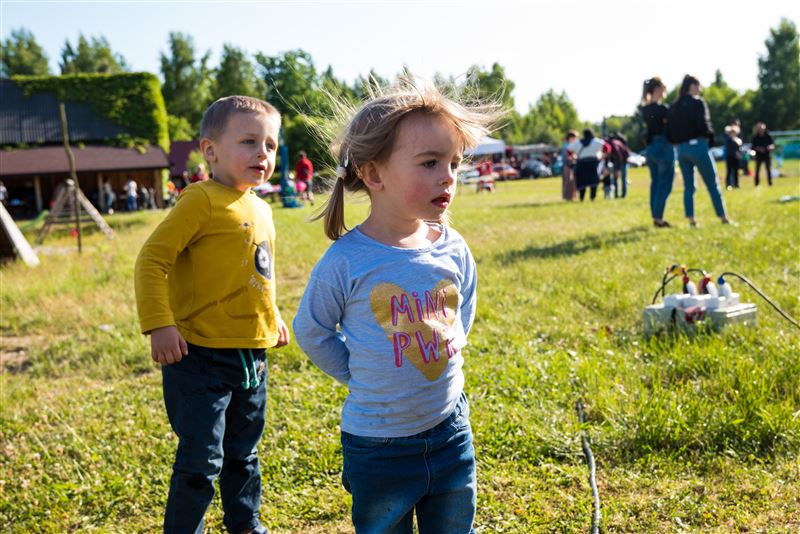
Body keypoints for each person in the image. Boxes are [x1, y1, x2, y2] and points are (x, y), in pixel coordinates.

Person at [293, 78, 502, 534]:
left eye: (453, 162)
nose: (448, 176)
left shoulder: (452, 246)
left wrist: (445, 349)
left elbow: (462, 307)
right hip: (379, 446)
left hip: (450, 429)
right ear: (374, 174)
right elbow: (312, 330)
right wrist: (358, 373)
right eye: (430, 162)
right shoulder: (347, 260)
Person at [134, 95, 290, 534]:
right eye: (249, 142)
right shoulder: (200, 200)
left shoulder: (261, 207)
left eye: (270, 145)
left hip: (252, 356)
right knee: (202, 460)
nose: (262, 153)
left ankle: (246, 524)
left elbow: (258, 271)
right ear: (210, 150)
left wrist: (272, 315)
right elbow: (151, 261)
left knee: (244, 453)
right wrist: (160, 323)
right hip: (200, 355)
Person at [667, 75, 732, 226]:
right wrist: (710, 139)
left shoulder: (674, 106)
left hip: (682, 149)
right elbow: (704, 123)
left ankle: (691, 219)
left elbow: (669, 129)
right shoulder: (697, 102)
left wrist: (677, 142)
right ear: (691, 86)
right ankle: (723, 217)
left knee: (688, 186)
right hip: (698, 146)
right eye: (698, 85)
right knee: (713, 184)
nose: (699, 89)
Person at [640, 77, 675, 228]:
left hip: (650, 148)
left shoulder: (645, 109)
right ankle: (659, 218)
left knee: (655, 182)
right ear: (658, 89)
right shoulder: (663, 109)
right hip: (663, 146)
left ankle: (656, 216)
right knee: (665, 183)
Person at [567, 129, 605, 202]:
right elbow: (607, 147)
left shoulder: (578, 143)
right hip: (592, 164)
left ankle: (582, 198)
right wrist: (602, 155)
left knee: (582, 182)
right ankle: (592, 198)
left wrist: (573, 156)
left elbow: (568, 149)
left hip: (581, 164)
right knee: (593, 182)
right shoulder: (596, 141)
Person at [751, 122, 776, 187]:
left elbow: (773, 145)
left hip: (767, 155)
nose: (761, 130)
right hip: (759, 155)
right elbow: (753, 147)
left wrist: (770, 147)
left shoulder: (768, 136)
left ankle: (770, 183)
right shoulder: (755, 137)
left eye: (762, 128)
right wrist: (759, 149)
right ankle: (756, 184)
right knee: (757, 170)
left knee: (768, 170)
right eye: (759, 128)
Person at [608, 132, 630, 198]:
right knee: (617, 179)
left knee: (622, 178)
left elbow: (619, 157)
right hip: (619, 162)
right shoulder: (616, 142)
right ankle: (617, 195)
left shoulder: (613, 144)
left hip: (622, 162)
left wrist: (618, 169)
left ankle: (623, 195)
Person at [724, 124, 742, 190]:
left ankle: (736, 184)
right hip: (730, 157)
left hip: (736, 158)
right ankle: (728, 184)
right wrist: (735, 153)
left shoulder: (738, 140)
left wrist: (739, 154)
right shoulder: (728, 140)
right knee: (729, 171)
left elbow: (739, 148)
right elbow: (729, 149)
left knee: (736, 171)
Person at [561, 130, 578, 200]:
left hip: (572, 165)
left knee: (572, 182)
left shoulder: (571, 145)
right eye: (574, 138)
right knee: (568, 181)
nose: (575, 139)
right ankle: (568, 197)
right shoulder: (566, 146)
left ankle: (572, 196)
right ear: (570, 137)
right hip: (568, 166)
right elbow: (566, 157)